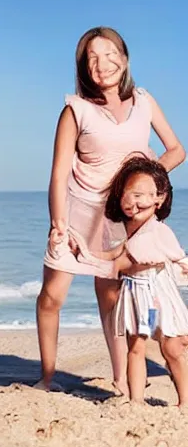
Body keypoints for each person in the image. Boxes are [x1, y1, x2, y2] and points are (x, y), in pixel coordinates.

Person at [36, 26, 185, 395]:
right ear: (84, 68)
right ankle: (47, 377)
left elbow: (176, 151)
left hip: (121, 216)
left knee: (113, 296)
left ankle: (121, 379)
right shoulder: (76, 109)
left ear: (125, 58)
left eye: (109, 54)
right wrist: (58, 221)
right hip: (77, 210)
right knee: (52, 295)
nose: (102, 65)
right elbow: (58, 173)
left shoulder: (144, 102)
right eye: (92, 58)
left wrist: (142, 185)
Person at [71, 156, 188, 405]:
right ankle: (136, 401)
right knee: (136, 346)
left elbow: (170, 259)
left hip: (157, 299)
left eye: (143, 195)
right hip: (138, 297)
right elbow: (115, 256)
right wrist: (83, 251)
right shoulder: (127, 229)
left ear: (159, 199)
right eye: (130, 194)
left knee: (171, 348)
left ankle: (185, 402)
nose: (135, 202)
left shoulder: (159, 231)